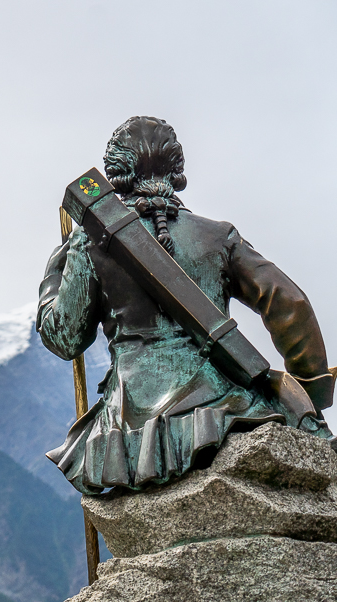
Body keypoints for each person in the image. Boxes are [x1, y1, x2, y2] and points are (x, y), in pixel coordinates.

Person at [38, 116, 335, 495]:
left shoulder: (87, 245)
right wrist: (313, 391)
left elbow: (65, 339)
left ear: (114, 174)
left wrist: (58, 267)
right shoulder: (218, 236)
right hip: (227, 402)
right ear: (177, 170)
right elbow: (290, 303)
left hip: (130, 424)